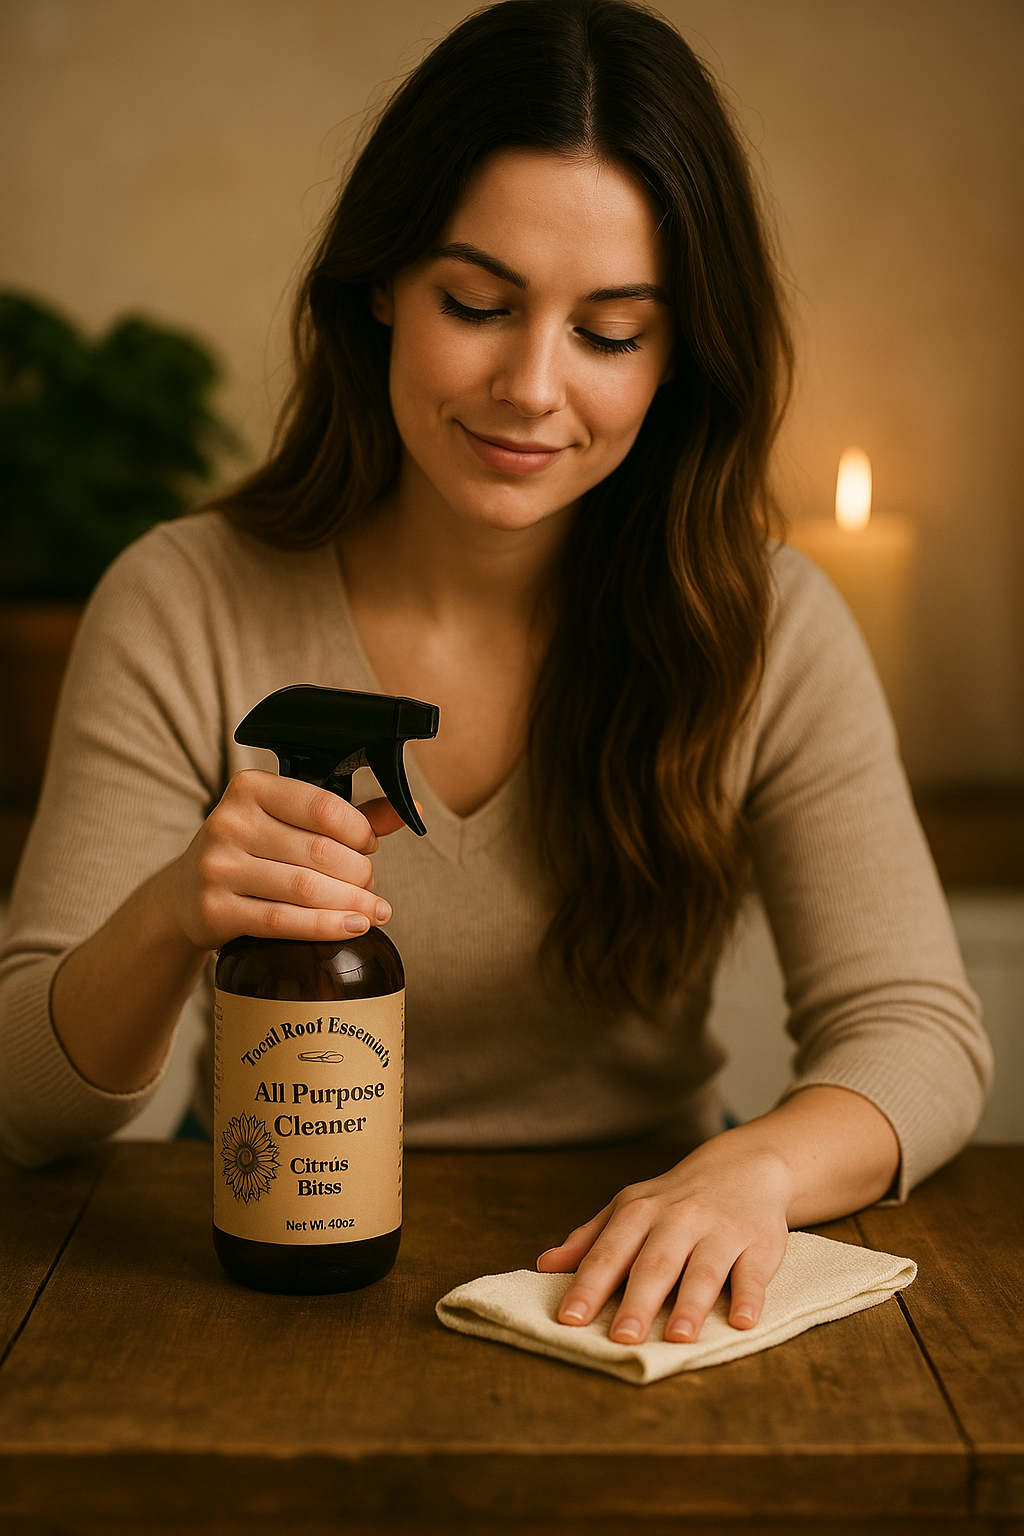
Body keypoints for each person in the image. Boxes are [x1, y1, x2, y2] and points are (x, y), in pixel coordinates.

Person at [0, 0, 989, 1349]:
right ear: (381, 288)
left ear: (679, 358)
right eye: (478, 304)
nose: (532, 387)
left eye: (611, 332)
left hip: (623, 1286)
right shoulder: (181, 599)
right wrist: (177, 910)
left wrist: (746, 1171)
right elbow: (24, 1106)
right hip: (246, 1286)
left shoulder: (769, 624)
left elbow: (918, 1034)